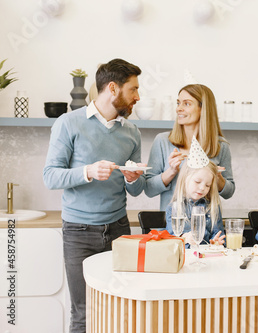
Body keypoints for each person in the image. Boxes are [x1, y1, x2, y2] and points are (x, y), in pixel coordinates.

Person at [43, 59, 146, 333]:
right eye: (133, 89)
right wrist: (87, 171)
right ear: (113, 88)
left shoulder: (132, 132)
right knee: (84, 314)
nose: (138, 96)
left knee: (121, 309)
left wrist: (133, 178)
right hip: (78, 233)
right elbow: (50, 176)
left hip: (119, 230)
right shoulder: (68, 124)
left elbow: (136, 189)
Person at [145, 84, 235, 211]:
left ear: (203, 109)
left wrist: (217, 177)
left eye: (186, 104)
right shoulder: (163, 141)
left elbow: (229, 192)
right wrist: (171, 172)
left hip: (208, 226)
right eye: (178, 103)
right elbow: (149, 189)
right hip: (172, 227)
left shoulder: (220, 145)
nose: (178, 109)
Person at [165, 137, 225, 246]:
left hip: (206, 258)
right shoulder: (174, 208)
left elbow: (218, 234)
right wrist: (184, 238)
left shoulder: (212, 207)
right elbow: (170, 240)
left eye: (208, 185)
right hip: (184, 258)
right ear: (184, 179)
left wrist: (216, 242)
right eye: (197, 182)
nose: (202, 188)